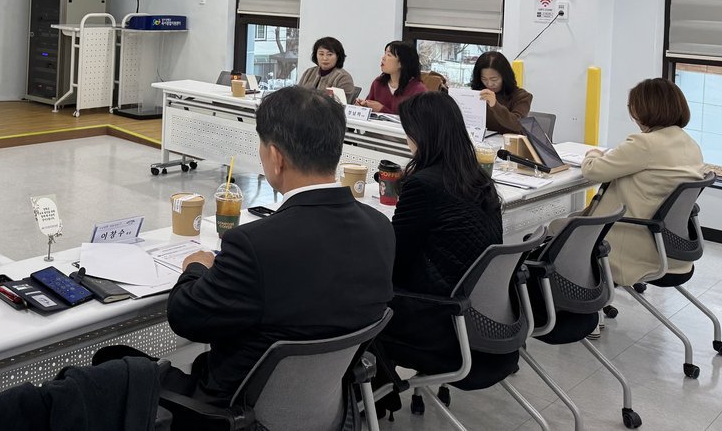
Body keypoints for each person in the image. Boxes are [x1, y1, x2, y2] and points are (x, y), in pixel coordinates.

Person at [165, 85, 394, 405]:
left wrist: (195, 267)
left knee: (116, 362)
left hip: (237, 409)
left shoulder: (255, 245)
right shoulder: (380, 228)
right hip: (326, 404)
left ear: (275, 157)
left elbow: (185, 317)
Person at [374, 92, 503, 412]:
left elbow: (395, 262)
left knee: (357, 297)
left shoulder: (424, 185)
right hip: (485, 322)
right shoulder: (478, 178)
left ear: (421, 134)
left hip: (442, 324)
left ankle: (373, 400)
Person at [582, 78, 704, 286]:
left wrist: (592, 153)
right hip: (671, 251)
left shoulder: (645, 144)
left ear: (643, 109)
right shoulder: (690, 144)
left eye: (632, 106)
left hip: (635, 251)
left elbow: (592, 170)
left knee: (558, 235)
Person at [470, 51, 533, 134]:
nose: (489, 84)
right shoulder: (478, 94)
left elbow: (517, 125)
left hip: (509, 141)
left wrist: (495, 105)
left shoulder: (522, 96)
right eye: (484, 79)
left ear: (504, 76)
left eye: (494, 79)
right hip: (483, 140)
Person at [356, 41, 427, 114]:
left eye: (389, 55)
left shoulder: (418, 90)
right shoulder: (378, 83)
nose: (383, 58)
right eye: (385, 53)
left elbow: (417, 119)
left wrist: (382, 110)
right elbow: (368, 109)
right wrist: (363, 106)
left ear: (402, 63)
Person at [296, 36, 357, 100]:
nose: (325, 58)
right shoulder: (309, 72)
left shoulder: (343, 77)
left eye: (329, 54)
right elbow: (297, 95)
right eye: (321, 54)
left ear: (338, 56)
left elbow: (342, 103)